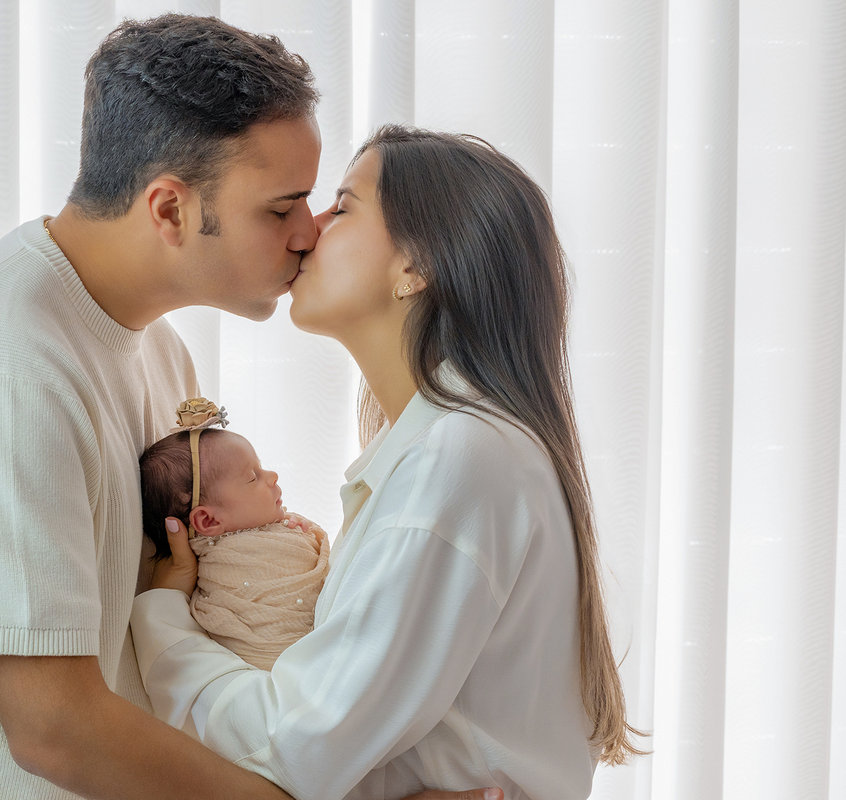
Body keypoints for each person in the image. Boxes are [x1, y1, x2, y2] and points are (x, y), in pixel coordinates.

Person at [0, 11, 500, 800]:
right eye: (281, 208)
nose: (309, 234)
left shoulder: (157, 350)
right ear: (170, 209)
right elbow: (52, 727)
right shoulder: (1, 373)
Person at [131, 126, 647, 800]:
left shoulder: (459, 458)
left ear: (416, 265)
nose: (308, 229)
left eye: (342, 208)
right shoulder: (455, 450)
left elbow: (296, 747)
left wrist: (162, 619)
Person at [139, 398, 329, 671]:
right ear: (208, 520)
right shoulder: (228, 563)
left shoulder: (274, 526)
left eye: (261, 468)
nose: (272, 476)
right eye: (253, 477)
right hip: (279, 669)